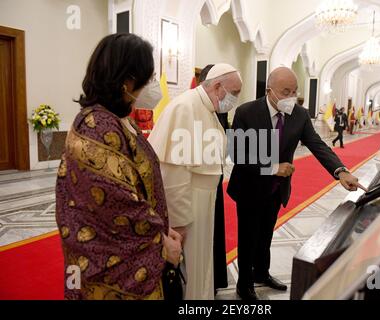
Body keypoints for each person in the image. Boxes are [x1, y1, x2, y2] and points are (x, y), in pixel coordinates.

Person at [55, 34, 182, 300]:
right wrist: (160, 244)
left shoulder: (118, 119)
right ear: (126, 81)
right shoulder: (96, 127)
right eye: (148, 78)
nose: (152, 84)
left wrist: (161, 228)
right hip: (109, 267)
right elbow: (118, 205)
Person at [227, 67, 366, 301]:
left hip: (276, 189)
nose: (291, 96)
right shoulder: (246, 112)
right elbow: (237, 154)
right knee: (248, 236)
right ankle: (245, 284)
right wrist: (272, 168)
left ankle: (262, 273)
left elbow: (317, 144)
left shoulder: (300, 114)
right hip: (250, 187)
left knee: (266, 235)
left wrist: (341, 171)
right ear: (269, 91)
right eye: (285, 91)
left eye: (295, 91)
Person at [149, 63, 242, 300]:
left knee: (201, 264)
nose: (235, 99)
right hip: (188, 206)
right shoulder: (185, 108)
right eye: (235, 93)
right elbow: (173, 171)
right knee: (188, 269)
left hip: (203, 202)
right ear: (218, 86)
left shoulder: (207, 109)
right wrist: (178, 222)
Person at [198, 64, 229, 294]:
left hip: (214, 179)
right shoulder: (190, 109)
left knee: (215, 232)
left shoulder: (218, 108)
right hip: (198, 185)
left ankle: (215, 280)